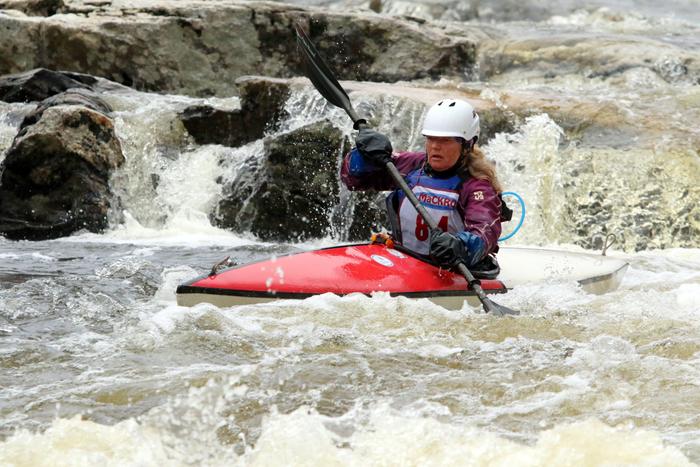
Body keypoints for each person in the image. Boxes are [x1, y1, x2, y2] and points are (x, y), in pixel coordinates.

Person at [341, 98, 507, 275]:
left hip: (448, 270)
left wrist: (459, 245)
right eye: (431, 138)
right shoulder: (412, 166)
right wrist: (362, 156)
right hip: (405, 261)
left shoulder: (477, 186)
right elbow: (353, 180)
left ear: (467, 144)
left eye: (445, 140)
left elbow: (485, 232)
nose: (435, 146)